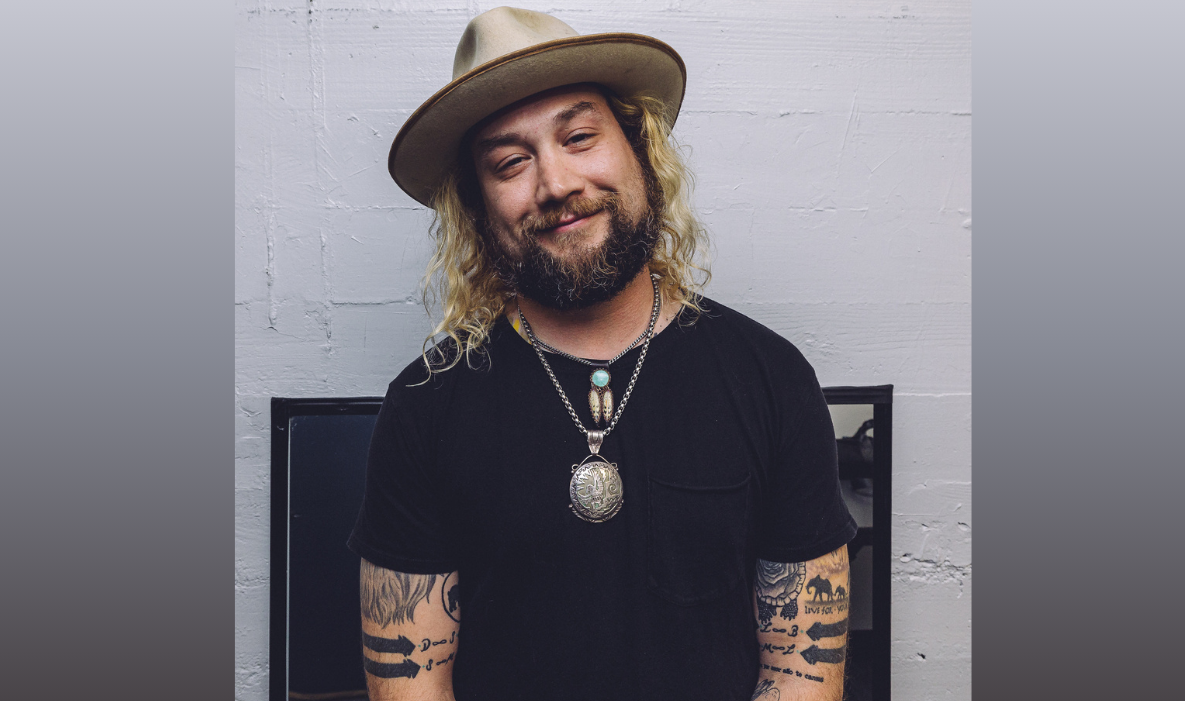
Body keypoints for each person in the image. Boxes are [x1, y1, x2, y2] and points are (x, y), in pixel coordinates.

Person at [347, 7, 857, 700]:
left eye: (579, 137)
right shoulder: (425, 406)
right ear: (478, 207)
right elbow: (411, 685)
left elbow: (803, 668)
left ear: (640, 150)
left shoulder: (770, 379)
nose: (556, 183)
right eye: (510, 163)